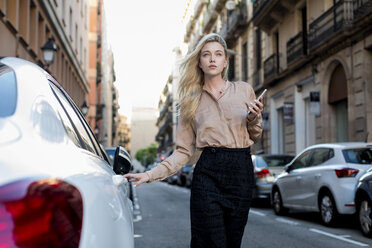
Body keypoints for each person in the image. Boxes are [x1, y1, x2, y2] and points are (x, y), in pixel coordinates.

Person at [124, 33, 263, 248]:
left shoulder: (244, 90)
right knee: (209, 242)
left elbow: (255, 134)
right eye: (206, 55)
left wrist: (254, 119)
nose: (212, 59)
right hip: (208, 174)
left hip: (241, 174)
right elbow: (182, 151)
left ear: (226, 61)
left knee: (232, 243)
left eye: (218, 54)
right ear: (199, 62)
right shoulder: (191, 100)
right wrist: (150, 174)